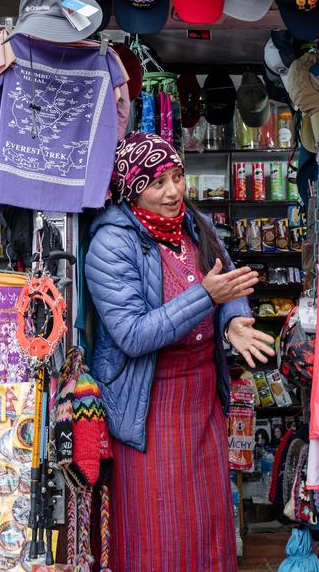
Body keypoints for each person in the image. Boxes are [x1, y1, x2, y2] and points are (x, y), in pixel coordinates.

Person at [86, 133, 276, 571]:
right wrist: (206, 299)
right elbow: (131, 334)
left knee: (207, 526)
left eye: (177, 177)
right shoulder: (111, 244)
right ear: (132, 188)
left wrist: (233, 321)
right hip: (150, 409)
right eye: (158, 183)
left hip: (201, 404)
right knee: (158, 530)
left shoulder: (195, 224)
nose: (173, 192)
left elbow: (224, 279)